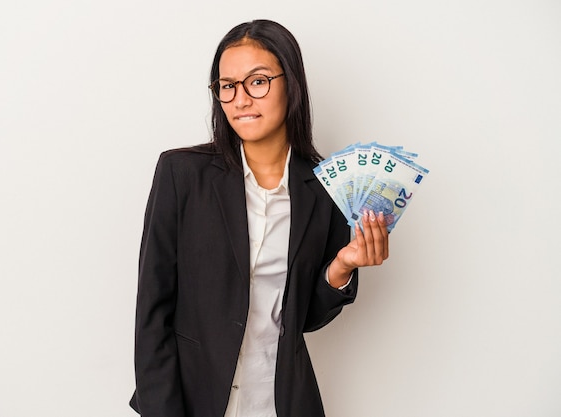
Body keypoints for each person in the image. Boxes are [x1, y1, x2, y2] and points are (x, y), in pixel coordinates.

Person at [129, 19, 389, 417]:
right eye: (227, 86)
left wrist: (341, 266)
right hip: (193, 400)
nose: (241, 99)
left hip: (281, 400)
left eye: (258, 81)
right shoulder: (181, 175)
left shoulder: (325, 188)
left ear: (292, 84)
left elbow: (305, 319)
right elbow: (152, 311)